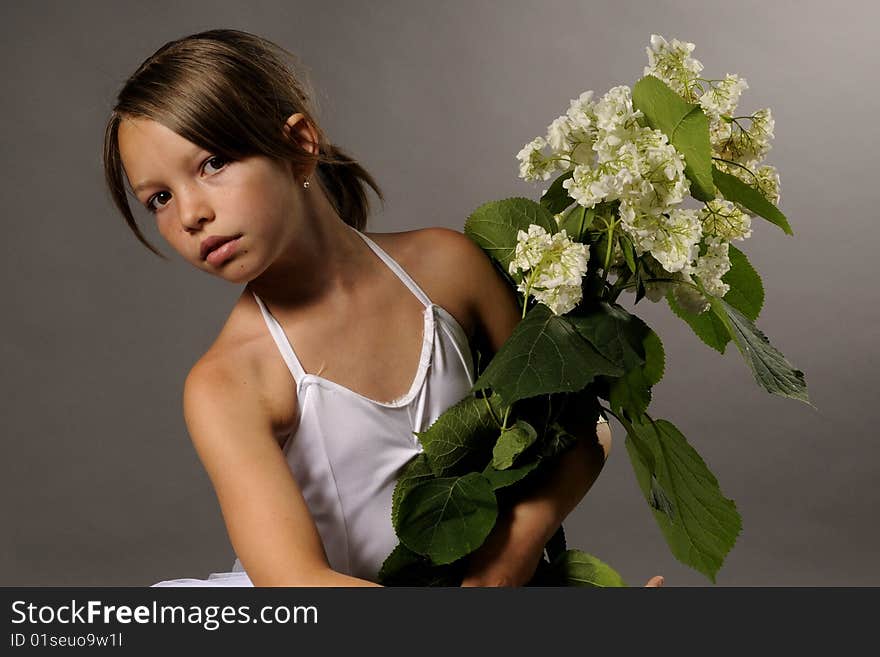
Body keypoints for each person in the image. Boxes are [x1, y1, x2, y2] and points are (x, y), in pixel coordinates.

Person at [104, 29, 664, 589]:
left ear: (300, 143)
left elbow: (577, 424)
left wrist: (505, 563)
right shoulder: (227, 382)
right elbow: (295, 582)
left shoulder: (448, 267)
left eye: (213, 163)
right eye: (159, 198)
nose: (190, 214)